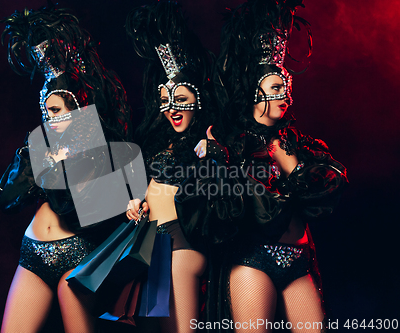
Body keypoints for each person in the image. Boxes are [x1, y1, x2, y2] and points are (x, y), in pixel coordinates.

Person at [197, 0, 348, 331]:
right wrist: (216, 158)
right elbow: (223, 213)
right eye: (278, 87)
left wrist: (286, 158)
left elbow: (324, 194)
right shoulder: (235, 147)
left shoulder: (300, 144)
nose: (287, 96)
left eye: (287, 87)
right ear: (256, 92)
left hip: (299, 260)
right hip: (253, 260)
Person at [0, 6, 131, 332]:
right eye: (45, 111)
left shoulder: (101, 152)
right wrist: (34, 154)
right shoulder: (40, 146)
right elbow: (6, 198)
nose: (49, 119)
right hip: (33, 254)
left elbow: (79, 212)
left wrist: (63, 160)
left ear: (78, 109)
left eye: (56, 110)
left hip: (78, 259)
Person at [124, 1, 228, 332]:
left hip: (183, 244)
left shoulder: (209, 141)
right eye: (165, 100)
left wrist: (216, 152)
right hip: (151, 243)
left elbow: (222, 195)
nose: (172, 108)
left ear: (200, 99)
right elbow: (153, 184)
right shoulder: (156, 143)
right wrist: (137, 200)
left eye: (181, 99)